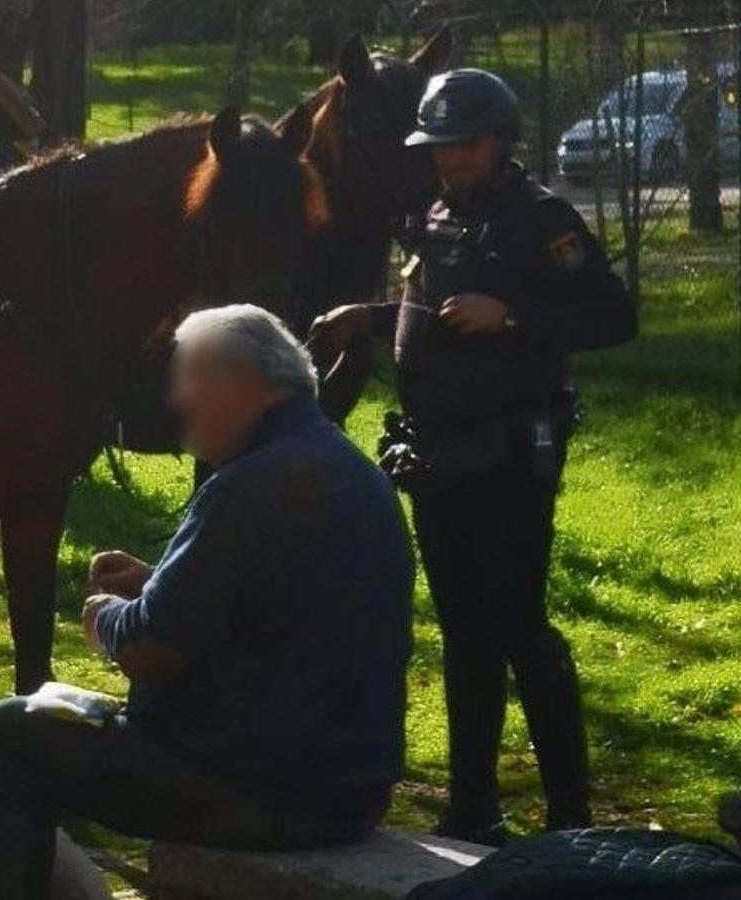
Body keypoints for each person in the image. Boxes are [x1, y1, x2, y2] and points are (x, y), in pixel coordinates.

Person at [0, 305, 415, 900]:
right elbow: (276, 607)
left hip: (258, 791)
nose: (175, 402)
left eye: (184, 382)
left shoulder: (250, 485)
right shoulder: (348, 470)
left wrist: (105, 616)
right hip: (349, 788)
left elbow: (153, 648)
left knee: (13, 734)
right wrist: (158, 581)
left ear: (244, 386)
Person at [312, 69, 638, 844]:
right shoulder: (435, 213)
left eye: (467, 146)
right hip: (437, 453)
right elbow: (441, 312)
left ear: (501, 141)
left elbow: (613, 315)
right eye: (441, 148)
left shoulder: (542, 218)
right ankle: (472, 805)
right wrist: (375, 314)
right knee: (463, 630)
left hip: (510, 452)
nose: (453, 161)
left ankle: (570, 816)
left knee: (519, 626)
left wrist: (515, 316)